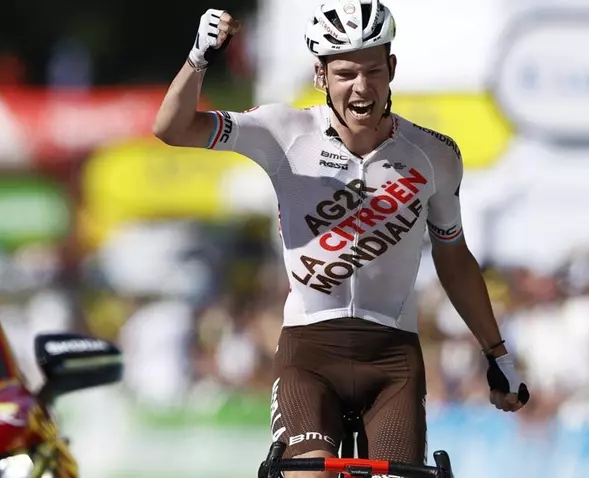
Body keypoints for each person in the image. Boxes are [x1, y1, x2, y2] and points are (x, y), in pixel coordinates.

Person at [153, 1, 530, 476]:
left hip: (393, 359)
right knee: (309, 474)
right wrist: (198, 58)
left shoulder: (434, 154)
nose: (362, 87)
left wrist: (497, 354)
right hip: (310, 353)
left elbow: (453, 257)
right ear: (321, 75)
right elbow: (172, 128)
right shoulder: (284, 131)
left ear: (392, 69)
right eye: (346, 73)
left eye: (373, 71)